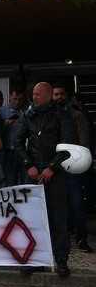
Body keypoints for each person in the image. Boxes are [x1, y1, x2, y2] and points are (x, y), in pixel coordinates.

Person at [15, 82, 74, 277]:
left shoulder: (62, 115)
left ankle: (61, 260)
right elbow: (17, 141)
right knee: (34, 219)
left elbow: (67, 146)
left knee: (58, 218)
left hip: (54, 174)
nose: (35, 97)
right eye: (33, 94)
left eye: (38, 94)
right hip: (32, 172)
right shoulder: (28, 115)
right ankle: (35, 260)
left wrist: (52, 167)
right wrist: (27, 165)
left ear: (49, 95)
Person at [52, 84, 92, 253]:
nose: (58, 97)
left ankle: (81, 239)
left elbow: (85, 142)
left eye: (61, 94)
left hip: (73, 165)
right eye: (55, 94)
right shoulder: (50, 116)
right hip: (54, 166)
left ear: (66, 95)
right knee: (58, 204)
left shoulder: (77, 115)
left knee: (76, 204)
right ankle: (61, 239)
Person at [0, 89, 27, 187]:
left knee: (24, 181)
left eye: (20, 99)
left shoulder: (26, 112)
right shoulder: (1, 112)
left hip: (23, 151)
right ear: (10, 97)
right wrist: (4, 124)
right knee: (10, 180)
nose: (17, 102)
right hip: (8, 151)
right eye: (15, 99)